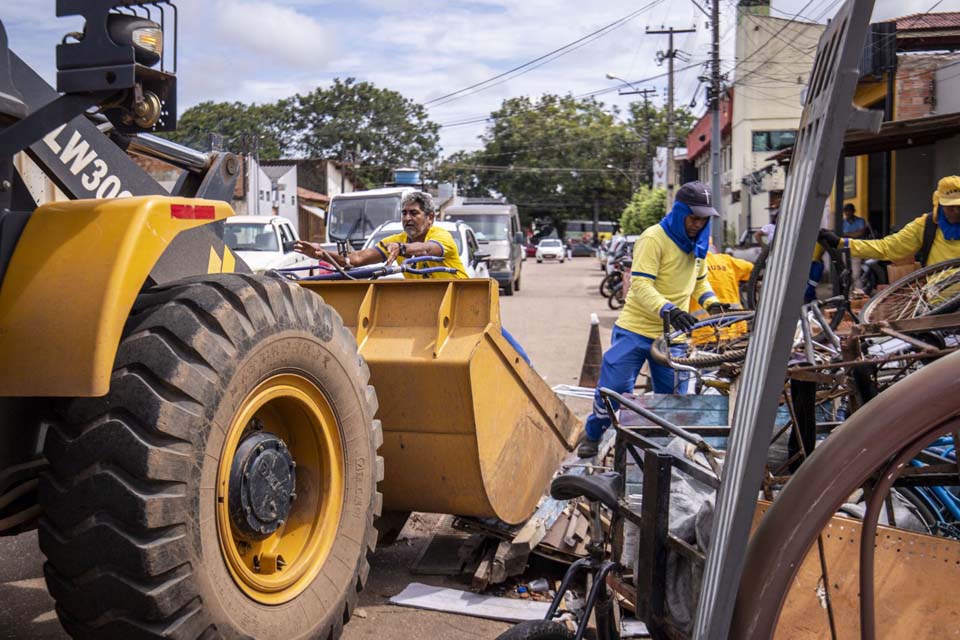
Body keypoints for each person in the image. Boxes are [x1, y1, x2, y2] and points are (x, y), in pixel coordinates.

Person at [294, 190, 531, 363]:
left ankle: (527, 368)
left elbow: (430, 249)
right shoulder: (394, 241)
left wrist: (405, 250)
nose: (407, 218)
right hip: (427, 310)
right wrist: (322, 254)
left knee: (503, 346)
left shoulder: (441, 236)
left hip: (466, 306)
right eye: (404, 213)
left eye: (414, 213)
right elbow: (355, 260)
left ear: (430, 218)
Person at [578, 181, 721, 458]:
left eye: (703, 220)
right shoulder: (654, 238)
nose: (697, 224)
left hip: (672, 337)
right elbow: (641, 286)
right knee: (615, 388)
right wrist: (669, 309)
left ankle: (665, 453)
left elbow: (700, 282)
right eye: (693, 218)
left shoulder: (699, 244)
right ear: (680, 213)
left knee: (674, 400)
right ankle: (593, 433)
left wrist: (713, 304)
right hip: (636, 329)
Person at [819, 176, 960, 267]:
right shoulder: (926, 225)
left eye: (959, 206)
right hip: (938, 304)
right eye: (950, 206)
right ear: (939, 203)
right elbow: (887, 247)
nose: (956, 211)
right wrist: (841, 243)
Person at [840, 203, 869, 292]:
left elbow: (860, 233)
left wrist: (847, 235)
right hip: (845, 249)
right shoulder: (842, 223)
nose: (847, 213)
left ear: (853, 211)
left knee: (856, 274)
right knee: (846, 274)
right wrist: (853, 234)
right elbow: (841, 235)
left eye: (849, 210)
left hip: (856, 249)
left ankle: (858, 295)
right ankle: (848, 295)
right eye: (845, 211)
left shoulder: (860, 221)